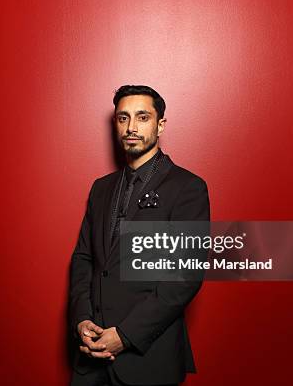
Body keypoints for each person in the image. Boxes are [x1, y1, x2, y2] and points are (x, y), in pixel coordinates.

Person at [68, 85, 210, 386]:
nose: (131, 127)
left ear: (160, 125)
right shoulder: (101, 188)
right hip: (89, 360)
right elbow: (84, 259)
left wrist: (125, 335)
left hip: (148, 361)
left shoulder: (188, 188)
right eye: (123, 118)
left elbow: (184, 277)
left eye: (142, 117)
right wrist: (81, 319)